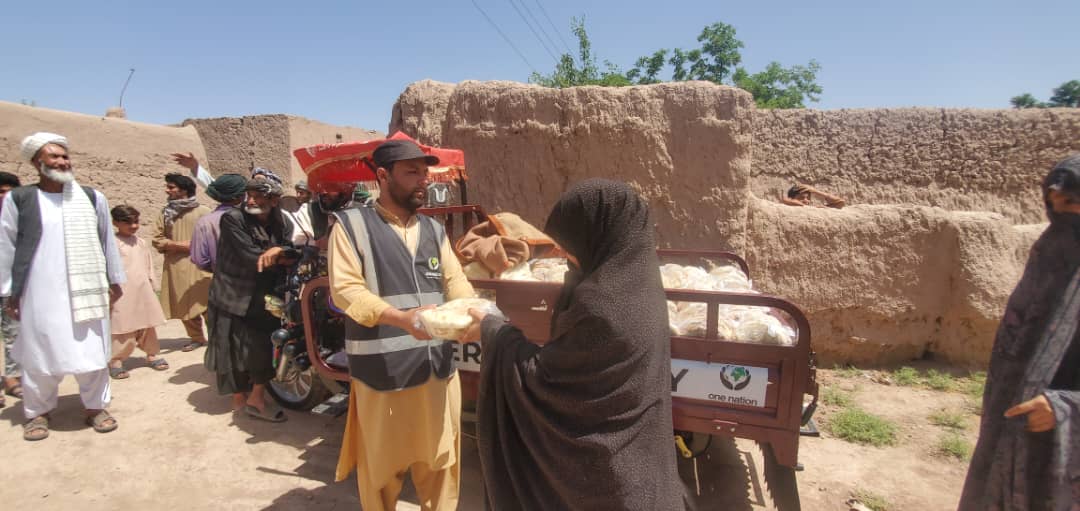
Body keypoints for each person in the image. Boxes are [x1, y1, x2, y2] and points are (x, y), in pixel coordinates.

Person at [463, 179, 685, 510]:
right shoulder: (639, 282)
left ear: (597, 236)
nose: (563, 252)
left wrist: (493, 330)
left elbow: (548, 385)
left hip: (609, 478)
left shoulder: (601, 305)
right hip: (642, 463)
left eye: (569, 243)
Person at [329, 139, 474, 511]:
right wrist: (400, 319)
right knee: (382, 471)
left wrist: (471, 311)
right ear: (383, 176)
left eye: (425, 172)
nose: (423, 180)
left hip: (435, 372)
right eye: (412, 172)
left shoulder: (434, 230)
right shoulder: (351, 226)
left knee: (441, 463)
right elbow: (346, 290)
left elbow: (455, 282)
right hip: (383, 375)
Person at [958, 155, 1080, 510]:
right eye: (1053, 206)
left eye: (1071, 203)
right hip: (1011, 428)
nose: (1061, 217)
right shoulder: (1050, 255)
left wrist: (1065, 407)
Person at [0, 132, 126, 441]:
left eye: (65, 156)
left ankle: (95, 407)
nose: (62, 161)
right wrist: (7, 292)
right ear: (36, 162)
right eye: (54, 156)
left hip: (88, 287)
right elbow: (6, 246)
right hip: (38, 290)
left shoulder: (92, 197)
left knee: (92, 349)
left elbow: (107, 240)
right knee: (40, 351)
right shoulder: (21, 199)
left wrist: (114, 279)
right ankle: (37, 411)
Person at [204, 178, 295, 420]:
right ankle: (239, 397)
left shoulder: (282, 221)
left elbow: (291, 251)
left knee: (263, 345)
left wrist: (281, 251)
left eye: (258, 196)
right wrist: (281, 254)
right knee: (232, 348)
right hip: (233, 293)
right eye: (249, 195)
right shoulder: (233, 219)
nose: (251, 200)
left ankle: (256, 398)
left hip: (265, 295)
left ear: (274, 200)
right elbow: (252, 257)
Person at [108, 205, 168, 379]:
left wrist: (151, 283)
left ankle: (152, 354)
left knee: (147, 323)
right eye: (128, 223)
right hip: (122, 291)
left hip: (142, 289)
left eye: (136, 222)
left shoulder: (140, 242)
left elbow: (148, 265)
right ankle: (116, 360)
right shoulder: (112, 244)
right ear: (115, 223)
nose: (134, 226)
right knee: (122, 325)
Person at [154, 173, 212, 352]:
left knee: (208, 304)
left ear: (184, 190)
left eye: (171, 187)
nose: (167, 190)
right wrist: (179, 245)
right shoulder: (165, 213)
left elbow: (213, 239)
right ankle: (196, 338)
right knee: (184, 304)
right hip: (176, 266)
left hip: (201, 266)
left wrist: (192, 246)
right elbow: (157, 240)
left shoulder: (204, 212)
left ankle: (216, 338)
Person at [189, 174, 247, 272]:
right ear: (238, 196)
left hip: (221, 282)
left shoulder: (204, 222)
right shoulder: (249, 218)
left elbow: (199, 260)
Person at [0, 171, 22, 406]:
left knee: (13, 333)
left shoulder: (21, 221)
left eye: (9, 192)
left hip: (9, 286)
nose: (5, 197)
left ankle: (13, 379)